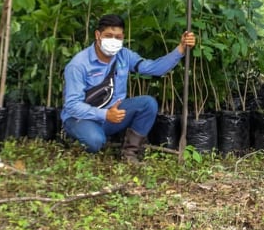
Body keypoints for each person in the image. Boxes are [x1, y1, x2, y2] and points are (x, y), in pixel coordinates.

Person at [61, 14, 196, 161]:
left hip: (113, 115)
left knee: (148, 104)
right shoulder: (78, 65)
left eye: (118, 37)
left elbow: (153, 68)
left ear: (123, 37)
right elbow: (72, 106)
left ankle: (130, 153)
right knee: (95, 141)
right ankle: (79, 139)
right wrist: (105, 114)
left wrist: (181, 49)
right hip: (81, 118)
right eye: (109, 35)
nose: (113, 41)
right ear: (97, 35)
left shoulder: (124, 55)